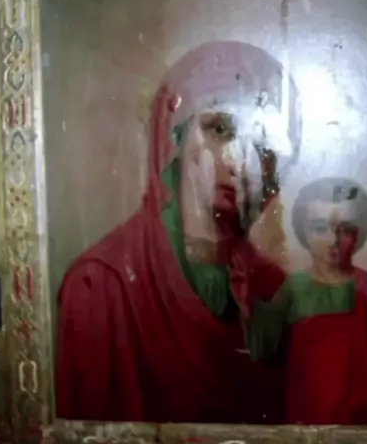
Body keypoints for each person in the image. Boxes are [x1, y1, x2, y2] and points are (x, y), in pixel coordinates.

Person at [55, 41, 302, 423]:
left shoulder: (273, 290)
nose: (239, 162)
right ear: (175, 137)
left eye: (262, 147)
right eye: (220, 129)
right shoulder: (102, 285)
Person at [242, 178, 367, 425]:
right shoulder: (293, 289)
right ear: (303, 232)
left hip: (360, 430)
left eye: (345, 229)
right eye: (319, 228)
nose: (333, 240)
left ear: (359, 233)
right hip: (304, 423)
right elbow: (265, 353)